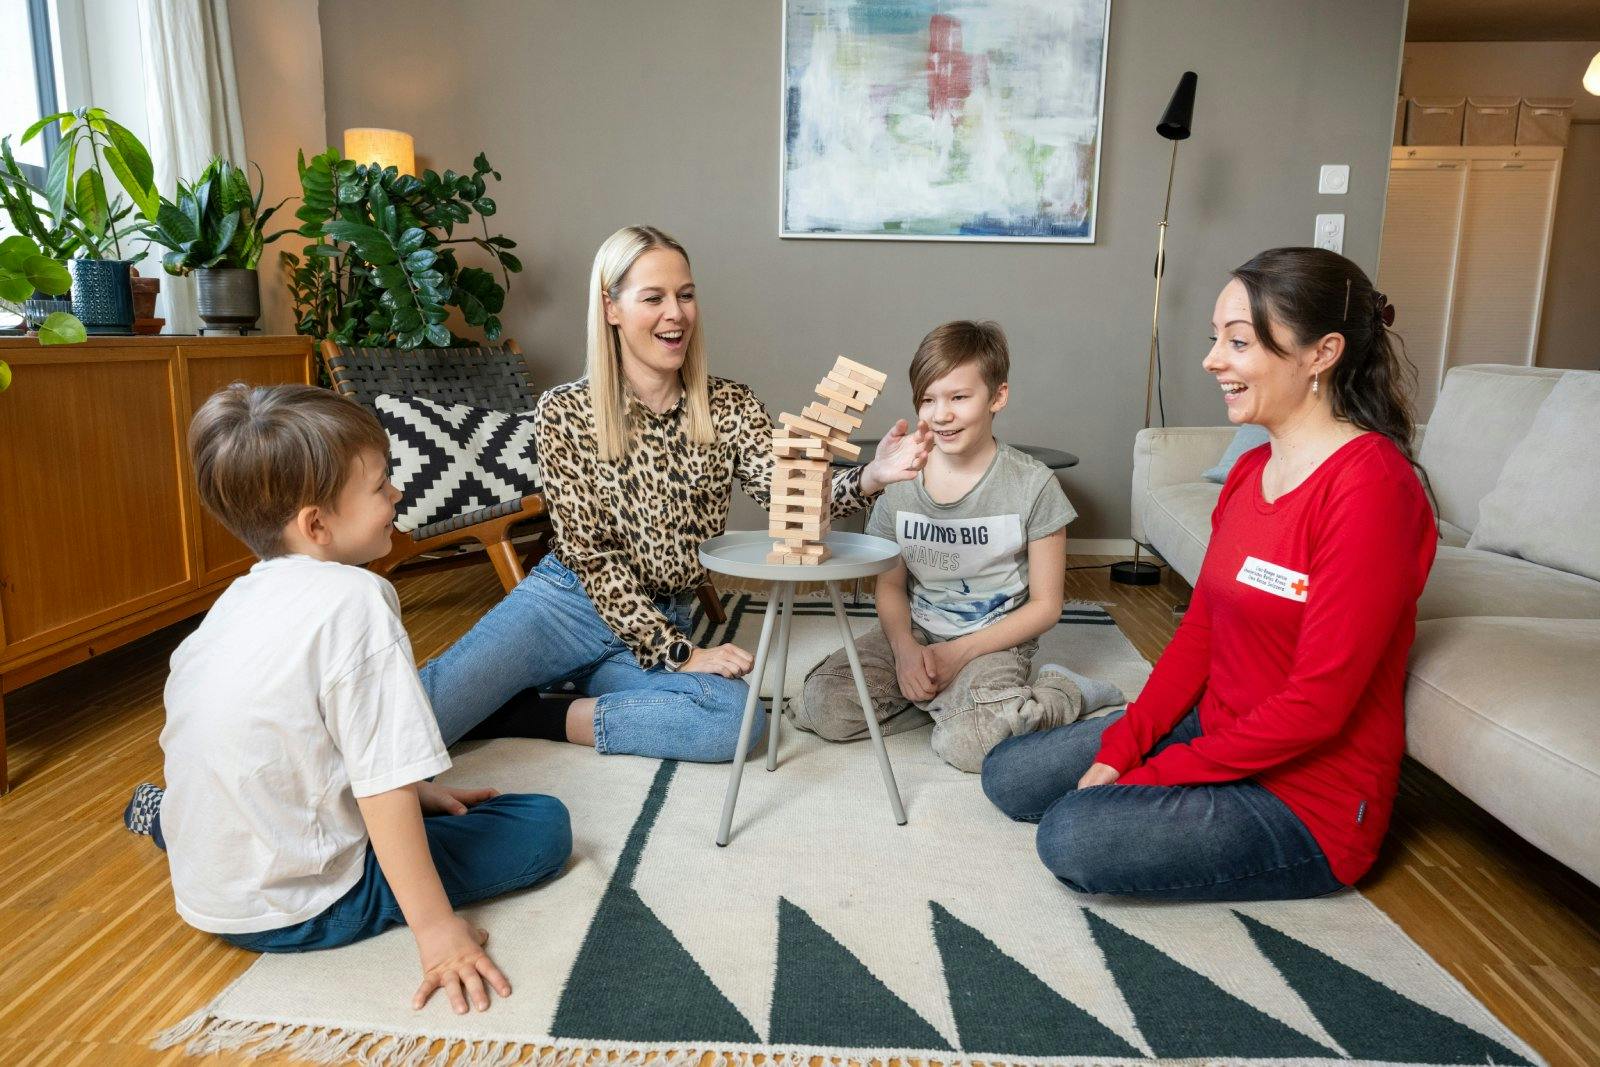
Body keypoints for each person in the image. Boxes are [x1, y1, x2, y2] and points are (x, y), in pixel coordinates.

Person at [981, 247, 1437, 901]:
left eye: (1239, 341)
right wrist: (1124, 745)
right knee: (1009, 774)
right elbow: (1202, 633)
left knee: (1073, 835)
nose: (1212, 359)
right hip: (1223, 728)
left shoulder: (1371, 490)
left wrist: (1154, 774)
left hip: (1307, 795)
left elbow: (1318, 706)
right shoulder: (1251, 472)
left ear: (1321, 353)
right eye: (1215, 339)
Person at [122, 384, 571, 1014]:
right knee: (543, 826)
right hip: (296, 907)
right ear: (317, 524)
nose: (397, 497)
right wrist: (438, 933)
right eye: (382, 486)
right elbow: (380, 786)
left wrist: (422, 792)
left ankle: (174, 821)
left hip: (208, 888)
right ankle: (178, 823)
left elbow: (310, 739)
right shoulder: (355, 600)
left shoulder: (232, 605)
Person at [419, 225, 933, 761]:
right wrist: (680, 655)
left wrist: (872, 476)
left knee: (735, 724)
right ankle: (533, 689)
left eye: (685, 295)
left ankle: (531, 714)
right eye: (654, 298)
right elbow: (589, 555)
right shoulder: (564, 412)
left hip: (668, 612)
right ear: (611, 307)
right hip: (567, 607)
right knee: (417, 715)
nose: (677, 313)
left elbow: (788, 499)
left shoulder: (730, 405)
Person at [794, 321, 1124, 771]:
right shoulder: (901, 481)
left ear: (998, 397)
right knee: (822, 706)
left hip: (993, 644)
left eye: (959, 397)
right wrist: (907, 650)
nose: (941, 414)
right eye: (928, 400)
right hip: (917, 632)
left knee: (969, 747)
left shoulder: (1033, 485)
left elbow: (1046, 606)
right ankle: (944, 705)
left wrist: (959, 654)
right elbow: (889, 588)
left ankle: (1062, 692)